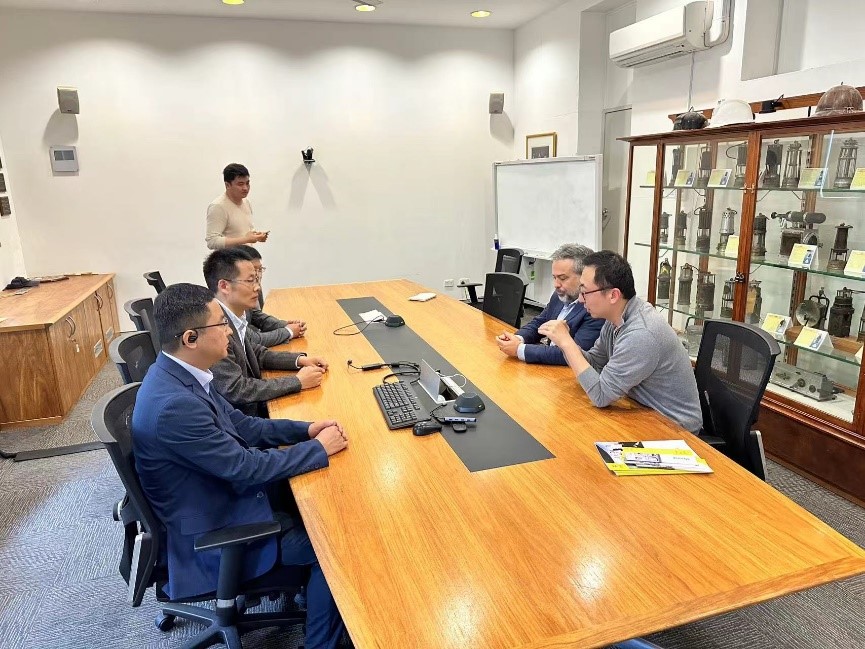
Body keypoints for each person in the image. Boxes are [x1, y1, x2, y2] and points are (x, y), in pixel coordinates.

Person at [131, 282, 347, 649]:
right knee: (335, 546)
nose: (230, 331)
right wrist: (317, 450)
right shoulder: (174, 406)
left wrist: (306, 430)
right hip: (216, 534)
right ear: (191, 338)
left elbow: (244, 425)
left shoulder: (182, 373)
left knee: (319, 504)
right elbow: (246, 468)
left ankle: (314, 601)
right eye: (221, 324)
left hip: (218, 497)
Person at [539, 250, 702, 433]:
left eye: (585, 292)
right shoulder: (616, 318)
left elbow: (601, 395)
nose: (580, 299)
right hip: (641, 412)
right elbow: (595, 364)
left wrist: (567, 344)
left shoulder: (641, 334)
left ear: (613, 295)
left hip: (674, 430)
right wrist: (565, 343)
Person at [204, 248, 327, 416]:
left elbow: (257, 353)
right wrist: (297, 381)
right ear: (224, 286)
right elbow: (235, 389)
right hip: (243, 419)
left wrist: (300, 360)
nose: (257, 287)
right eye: (250, 281)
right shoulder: (214, 327)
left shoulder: (234, 316)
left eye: (257, 279)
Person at [495, 243, 603, 365]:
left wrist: (519, 349)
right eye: (554, 277)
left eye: (562, 278)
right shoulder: (558, 295)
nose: (556, 284)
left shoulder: (595, 309)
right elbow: (539, 323)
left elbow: (575, 354)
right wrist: (518, 338)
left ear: (584, 277)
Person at [234, 244, 307, 348]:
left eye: (260, 269)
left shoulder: (253, 288)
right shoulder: (224, 308)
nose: (258, 275)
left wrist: (283, 325)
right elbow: (253, 340)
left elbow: (255, 315)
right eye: (254, 270)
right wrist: (288, 331)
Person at [205, 163, 270, 250]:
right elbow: (212, 241)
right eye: (240, 184)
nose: (245, 188)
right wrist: (245, 239)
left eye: (247, 183)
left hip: (246, 255)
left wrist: (256, 236)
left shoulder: (246, 202)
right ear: (227, 185)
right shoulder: (218, 206)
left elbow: (245, 232)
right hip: (229, 258)